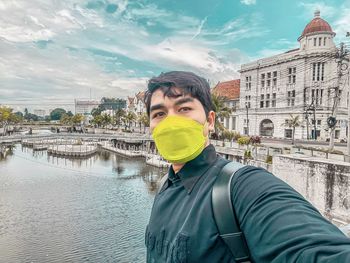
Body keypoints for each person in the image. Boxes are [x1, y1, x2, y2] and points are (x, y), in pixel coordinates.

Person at [144, 71, 350, 262]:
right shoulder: (164, 186)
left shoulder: (242, 187)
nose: (171, 122)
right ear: (151, 125)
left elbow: (316, 250)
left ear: (210, 120)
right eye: (159, 114)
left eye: (184, 108)